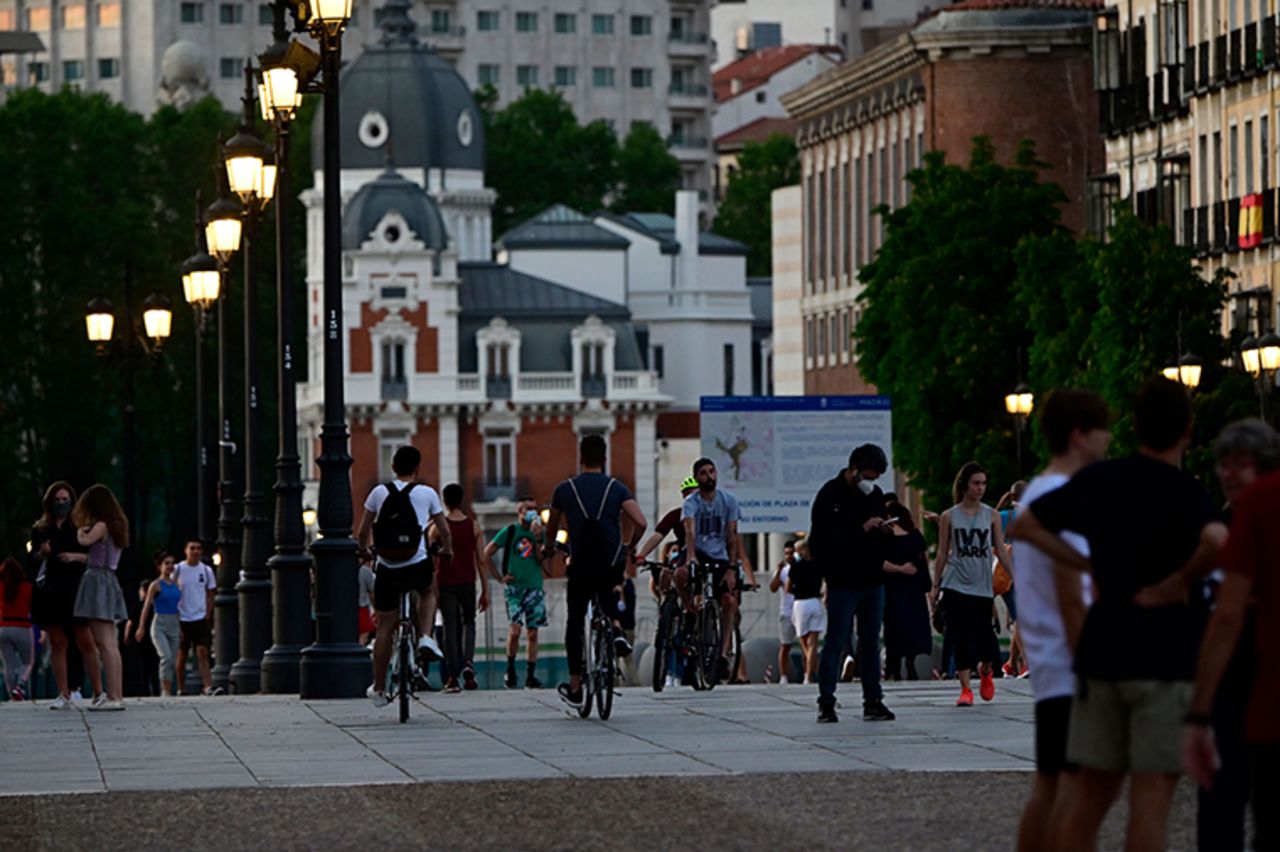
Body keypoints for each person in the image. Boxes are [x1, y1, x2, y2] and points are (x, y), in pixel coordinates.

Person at [1012, 377, 1227, 852]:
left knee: (1086, 795)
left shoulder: (1098, 483)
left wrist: (1089, 564)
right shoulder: (1184, 491)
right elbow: (1217, 542)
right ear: (1187, 431)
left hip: (1101, 654)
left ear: (1135, 425)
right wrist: (1180, 581)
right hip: (1162, 659)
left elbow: (1024, 526)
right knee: (1150, 798)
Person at [1004, 389, 1111, 852]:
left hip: (1051, 663)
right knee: (1076, 788)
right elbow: (1072, 594)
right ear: (1079, 436)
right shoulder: (1063, 498)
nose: (1109, 441)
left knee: (1051, 785)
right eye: (1103, 431)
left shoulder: (1041, 496)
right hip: (1070, 663)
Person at [1181, 419, 1280, 851]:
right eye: (1224, 464)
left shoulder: (1255, 514)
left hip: (1257, 674)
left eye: (1240, 464)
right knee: (1222, 803)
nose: (1229, 474)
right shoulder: (1218, 524)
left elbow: (1226, 612)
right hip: (1232, 678)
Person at [543, 434, 647, 708]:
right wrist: (628, 546)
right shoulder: (616, 488)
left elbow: (551, 525)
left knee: (575, 620)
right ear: (604, 459)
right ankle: (616, 630)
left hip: (580, 563)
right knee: (607, 593)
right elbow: (641, 521)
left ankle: (576, 685)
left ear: (580, 458)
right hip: (610, 562)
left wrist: (549, 546)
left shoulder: (564, 490)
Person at [357, 445, 453, 708]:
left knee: (385, 627)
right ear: (417, 468)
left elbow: (363, 530)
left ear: (393, 468)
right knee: (428, 591)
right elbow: (444, 530)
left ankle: (378, 689)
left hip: (387, 566)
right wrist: (447, 550)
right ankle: (424, 635)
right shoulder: (427, 493)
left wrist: (365, 552)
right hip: (416, 561)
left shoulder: (378, 492)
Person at [810, 444, 896, 723]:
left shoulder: (876, 496)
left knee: (870, 642)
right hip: (843, 581)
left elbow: (880, 532)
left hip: (872, 578)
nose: (872, 482)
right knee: (835, 641)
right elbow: (821, 540)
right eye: (869, 476)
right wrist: (861, 529)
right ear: (854, 470)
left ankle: (873, 700)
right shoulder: (830, 495)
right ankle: (826, 702)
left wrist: (883, 530)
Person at [931, 461, 1011, 707]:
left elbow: (1000, 548)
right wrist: (936, 585)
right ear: (965, 485)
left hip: (981, 585)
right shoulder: (949, 516)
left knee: (986, 639)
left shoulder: (992, 515)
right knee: (959, 635)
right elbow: (943, 553)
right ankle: (965, 688)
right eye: (976, 483)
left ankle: (986, 670)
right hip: (955, 584)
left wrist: (1016, 575)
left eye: (983, 484)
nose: (981, 488)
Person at [680, 457, 755, 683]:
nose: (709, 476)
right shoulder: (691, 502)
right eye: (703, 473)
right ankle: (690, 612)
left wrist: (732, 567)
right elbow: (690, 531)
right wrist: (691, 556)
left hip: (720, 556)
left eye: (712, 471)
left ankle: (722, 655)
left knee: (730, 602)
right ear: (697, 477)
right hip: (699, 553)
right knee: (679, 575)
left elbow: (732, 535)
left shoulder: (728, 500)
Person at [70, 484, 129, 711]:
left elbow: (84, 541)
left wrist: (80, 531)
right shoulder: (117, 525)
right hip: (109, 579)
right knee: (110, 643)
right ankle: (117, 694)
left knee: (103, 642)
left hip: (97, 581)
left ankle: (112, 696)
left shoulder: (101, 525)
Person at [29, 481, 88, 709]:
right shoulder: (41, 529)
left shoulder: (80, 527)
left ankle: (77, 687)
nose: (61, 504)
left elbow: (91, 556)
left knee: (80, 640)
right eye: (57, 500)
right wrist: (42, 554)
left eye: (65, 499)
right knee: (57, 641)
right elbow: (32, 560)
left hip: (75, 589)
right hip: (51, 590)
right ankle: (62, 691)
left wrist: (74, 556)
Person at [434, 483, 491, 693]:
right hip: (468, 581)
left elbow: (430, 557)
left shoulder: (439, 527)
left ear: (445, 501)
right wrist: (485, 590)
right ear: (462, 499)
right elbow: (482, 560)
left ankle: (451, 676)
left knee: (450, 627)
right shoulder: (473, 526)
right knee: (469, 622)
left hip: (446, 582)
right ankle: (468, 662)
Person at [485, 498, 548, 690]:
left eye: (535, 509)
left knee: (533, 632)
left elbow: (540, 559)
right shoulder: (510, 531)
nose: (532, 512)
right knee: (515, 630)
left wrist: (538, 540)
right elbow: (487, 552)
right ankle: (510, 669)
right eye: (528, 509)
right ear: (519, 511)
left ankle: (530, 675)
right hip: (515, 589)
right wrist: (499, 577)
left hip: (534, 586)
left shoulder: (539, 533)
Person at [881, 502, 932, 682]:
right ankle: (911, 661)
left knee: (894, 628)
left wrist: (899, 569)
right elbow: (924, 559)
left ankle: (893, 667)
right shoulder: (915, 535)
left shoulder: (885, 538)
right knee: (913, 625)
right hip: (914, 589)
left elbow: (880, 563)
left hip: (893, 589)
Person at [132, 551, 182, 697]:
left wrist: (180, 627)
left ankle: (168, 686)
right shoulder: (156, 585)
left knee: (172, 659)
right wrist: (141, 627)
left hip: (174, 622)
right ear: (159, 566)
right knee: (165, 656)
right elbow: (146, 607)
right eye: (166, 563)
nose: (170, 566)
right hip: (159, 623)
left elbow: (177, 606)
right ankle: (165, 690)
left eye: (172, 563)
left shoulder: (176, 584)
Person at [173, 539, 219, 696]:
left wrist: (208, 613)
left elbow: (211, 593)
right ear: (185, 550)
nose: (196, 551)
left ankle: (207, 686)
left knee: (202, 651)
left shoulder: (206, 570)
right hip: (182, 617)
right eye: (192, 548)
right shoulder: (178, 569)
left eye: (199, 548)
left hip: (200, 617)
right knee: (182, 653)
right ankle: (181, 687)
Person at [996, 481, 1027, 677]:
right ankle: (1026, 662)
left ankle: (1010, 663)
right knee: (1021, 619)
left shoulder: (1002, 516)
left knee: (1019, 618)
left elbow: (986, 524)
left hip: (1004, 574)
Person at [787, 539, 824, 684]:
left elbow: (788, 587)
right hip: (815, 602)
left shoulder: (795, 567)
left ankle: (809, 672)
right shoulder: (817, 565)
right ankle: (809, 674)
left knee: (803, 641)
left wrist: (797, 591)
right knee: (813, 642)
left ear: (802, 551)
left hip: (800, 603)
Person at [0, 558, 34, 701]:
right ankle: (20, 685)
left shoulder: (1, 587)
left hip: (3, 627)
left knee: (8, 664)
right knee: (28, 662)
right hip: (22, 626)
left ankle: (11, 693)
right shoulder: (27, 587)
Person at [769, 539, 798, 684]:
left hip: (800, 608)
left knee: (807, 645)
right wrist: (779, 570)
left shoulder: (802, 567)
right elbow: (773, 588)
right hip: (786, 612)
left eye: (791, 553)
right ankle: (783, 676)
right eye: (786, 553)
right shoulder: (783, 571)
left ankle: (808, 673)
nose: (789, 556)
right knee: (785, 645)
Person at [357, 553, 376, 647]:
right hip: (362, 607)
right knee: (363, 634)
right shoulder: (366, 571)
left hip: (347, 609)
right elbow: (372, 593)